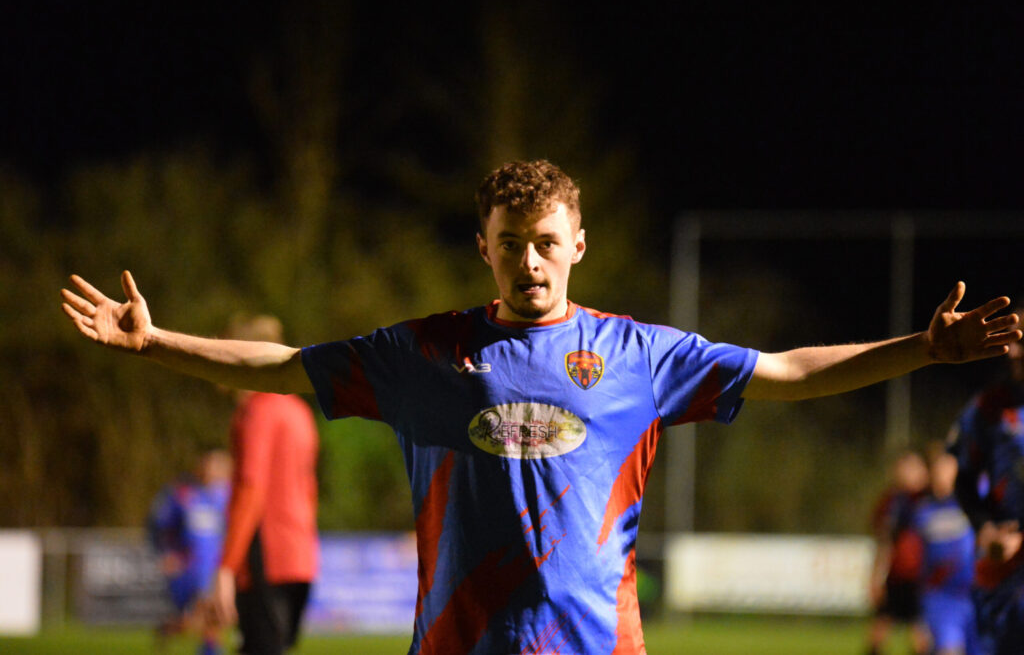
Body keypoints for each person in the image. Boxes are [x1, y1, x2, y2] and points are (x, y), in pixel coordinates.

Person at [61, 159, 1020, 655]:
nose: (530, 260)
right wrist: (157, 343)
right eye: (511, 241)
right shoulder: (423, 354)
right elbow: (281, 367)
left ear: (578, 244)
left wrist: (922, 349)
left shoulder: (642, 355)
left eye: (547, 241)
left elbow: (789, 373)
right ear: (483, 245)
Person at [210, 314, 320, 655]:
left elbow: (250, 489)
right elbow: (310, 490)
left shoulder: (255, 412)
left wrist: (227, 567)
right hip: (300, 557)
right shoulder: (299, 411)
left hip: (266, 557)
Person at [949, 307, 1024, 655]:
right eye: (1011, 340)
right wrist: (984, 529)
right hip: (1004, 559)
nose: (1015, 351)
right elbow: (963, 480)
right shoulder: (989, 406)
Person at [147, 449, 232, 655]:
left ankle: (173, 629)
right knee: (209, 613)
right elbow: (159, 526)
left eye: (218, 466)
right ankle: (209, 649)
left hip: (219, 565)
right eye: (209, 465)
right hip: (192, 568)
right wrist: (167, 554)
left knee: (216, 617)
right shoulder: (183, 495)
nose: (212, 470)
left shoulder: (228, 495)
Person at [910, 442, 981, 655]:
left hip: (977, 595)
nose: (942, 474)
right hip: (942, 598)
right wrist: (919, 618)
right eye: (937, 468)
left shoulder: (977, 506)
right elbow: (917, 564)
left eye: (948, 467)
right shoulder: (923, 512)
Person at [866, 449, 930, 655]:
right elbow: (884, 541)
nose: (907, 472)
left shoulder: (932, 500)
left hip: (923, 576)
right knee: (879, 631)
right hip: (896, 575)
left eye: (913, 467)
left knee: (921, 635)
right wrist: (876, 577)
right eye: (904, 467)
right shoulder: (891, 502)